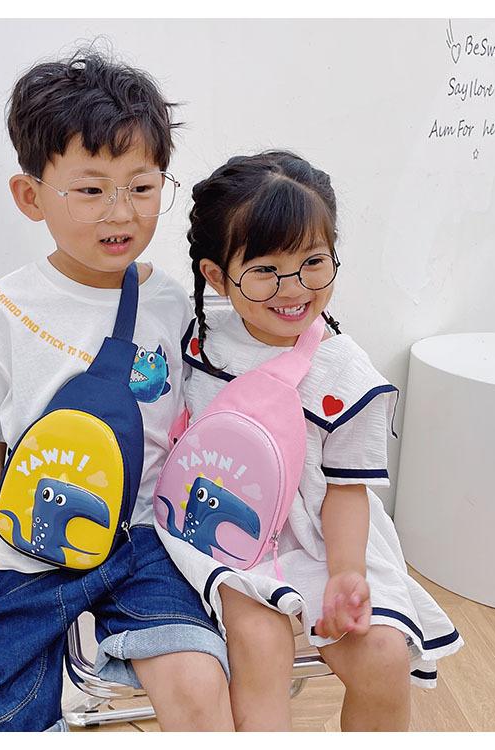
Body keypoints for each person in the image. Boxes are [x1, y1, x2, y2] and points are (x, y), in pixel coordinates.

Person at [0, 49, 234, 732]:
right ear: (30, 196)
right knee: (7, 721)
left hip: (144, 542)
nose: (120, 212)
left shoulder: (173, 304)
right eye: (91, 190)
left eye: (142, 186)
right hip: (30, 552)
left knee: (200, 687)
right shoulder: (7, 310)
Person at [154, 150, 464, 731]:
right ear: (216, 277)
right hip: (226, 534)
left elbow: (346, 492)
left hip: (323, 538)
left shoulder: (345, 376)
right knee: (259, 640)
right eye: (265, 269)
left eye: (313, 262)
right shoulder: (198, 341)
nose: (293, 288)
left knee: (383, 657)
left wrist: (347, 573)